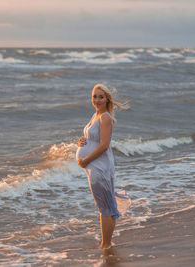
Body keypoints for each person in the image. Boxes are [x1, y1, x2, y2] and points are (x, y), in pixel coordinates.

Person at [76, 83, 129, 249]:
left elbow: (104, 145)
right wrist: (82, 141)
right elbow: (94, 139)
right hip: (95, 168)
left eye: (101, 97)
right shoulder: (96, 115)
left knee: (105, 207)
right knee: (104, 206)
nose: (97, 100)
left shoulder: (105, 117)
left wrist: (85, 160)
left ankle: (106, 245)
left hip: (100, 168)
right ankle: (106, 243)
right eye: (94, 96)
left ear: (107, 99)